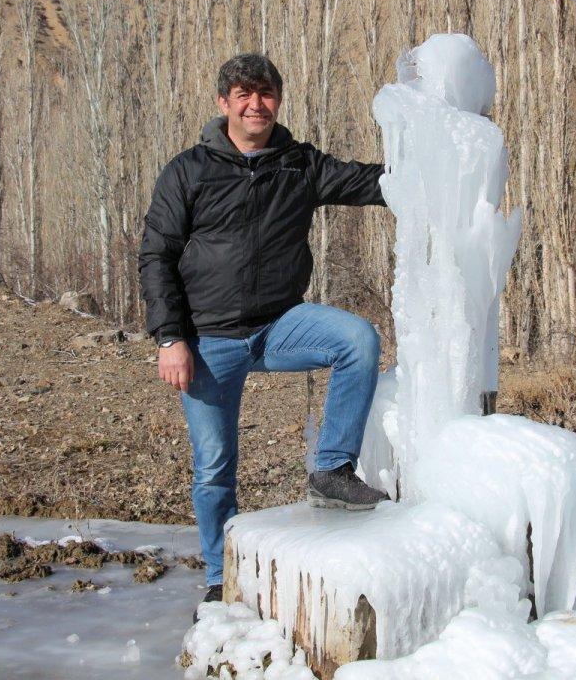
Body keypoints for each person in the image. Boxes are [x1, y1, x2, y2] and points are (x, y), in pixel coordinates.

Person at [138, 53, 390, 610]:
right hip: (208, 340)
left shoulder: (298, 164)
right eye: (244, 94)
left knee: (357, 340)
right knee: (214, 467)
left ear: (278, 99)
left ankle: (331, 469)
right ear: (224, 102)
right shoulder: (189, 169)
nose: (256, 104)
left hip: (280, 325)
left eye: (266, 93)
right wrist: (169, 338)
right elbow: (156, 255)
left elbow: (370, 182)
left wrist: (436, 162)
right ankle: (216, 574)